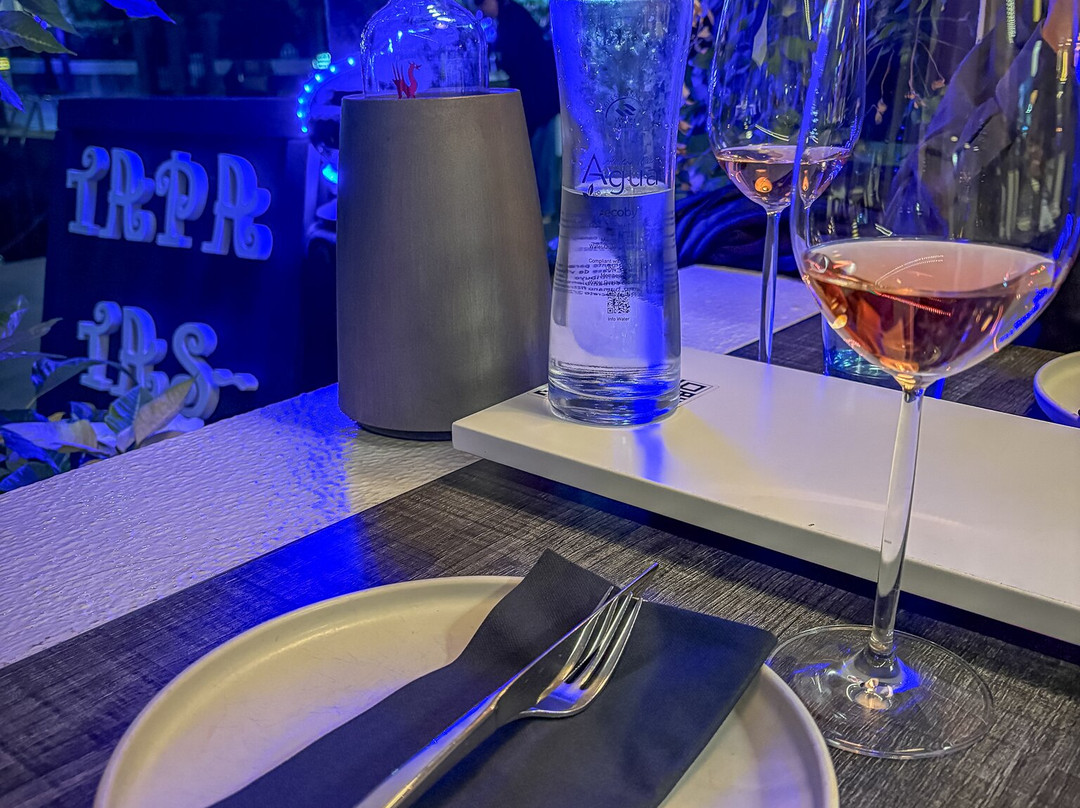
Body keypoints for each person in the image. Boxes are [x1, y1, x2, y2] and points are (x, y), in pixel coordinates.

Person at [477, 0, 561, 223]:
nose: (482, 11)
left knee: (541, 157)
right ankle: (542, 209)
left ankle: (545, 211)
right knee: (539, 155)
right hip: (541, 98)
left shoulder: (511, 17)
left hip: (540, 100)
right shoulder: (512, 14)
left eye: (482, 5)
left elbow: (510, 55)